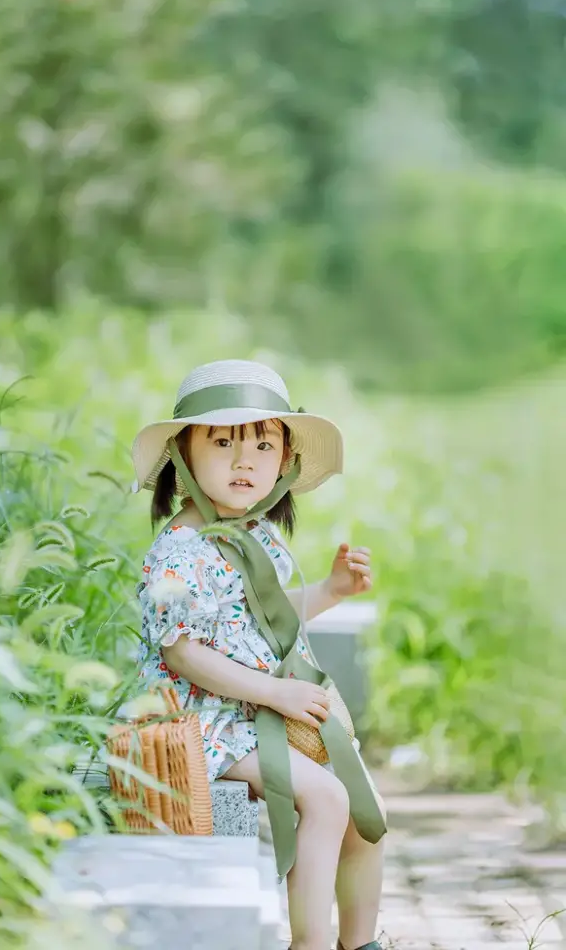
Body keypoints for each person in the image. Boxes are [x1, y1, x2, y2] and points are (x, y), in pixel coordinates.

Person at [132, 359, 386, 950]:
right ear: (184, 456)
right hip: (202, 717)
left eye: (263, 445)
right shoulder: (180, 550)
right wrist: (274, 692)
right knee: (324, 797)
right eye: (223, 442)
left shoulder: (259, 535)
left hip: (263, 707)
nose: (245, 461)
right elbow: (184, 654)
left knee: (363, 809)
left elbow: (263, 622)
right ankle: (309, 944)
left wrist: (329, 593)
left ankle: (361, 942)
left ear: (285, 461)